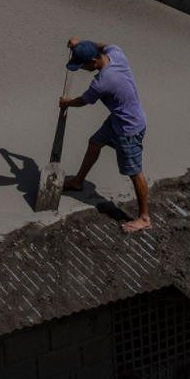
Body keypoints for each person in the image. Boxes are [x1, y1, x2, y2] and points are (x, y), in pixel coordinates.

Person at [59, 37, 150, 233]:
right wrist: (80, 45)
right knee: (94, 142)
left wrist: (67, 103)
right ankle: (78, 182)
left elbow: (83, 101)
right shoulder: (117, 54)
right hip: (117, 119)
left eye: (82, 66)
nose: (82, 69)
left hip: (129, 128)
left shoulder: (101, 83)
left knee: (135, 173)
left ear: (93, 62)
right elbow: (102, 46)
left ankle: (144, 218)